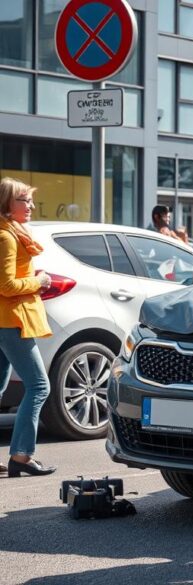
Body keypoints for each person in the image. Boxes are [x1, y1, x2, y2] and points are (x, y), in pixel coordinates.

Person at [0, 178, 55, 477]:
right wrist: (40, 281)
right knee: (39, 386)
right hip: (12, 320)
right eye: (25, 200)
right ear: (8, 202)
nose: (31, 205)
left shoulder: (12, 232)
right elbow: (6, 285)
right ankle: (21, 456)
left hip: (6, 319)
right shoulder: (6, 237)